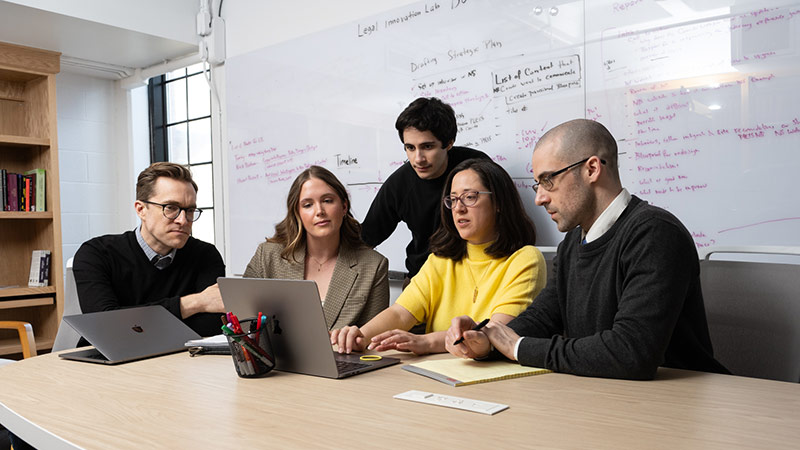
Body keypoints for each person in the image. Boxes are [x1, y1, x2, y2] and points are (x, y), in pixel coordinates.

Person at [446, 119, 729, 380]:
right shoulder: (573, 242)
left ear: (592, 169)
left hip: (677, 403)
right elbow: (544, 317)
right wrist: (487, 339)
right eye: (537, 185)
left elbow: (631, 352)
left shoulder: (655, 233)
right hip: (605, 394)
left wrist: (518, 347)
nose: (539, 199)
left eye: (548, 180)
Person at [331, 158, 546, 355]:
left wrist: (425, 342)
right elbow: (400, 314)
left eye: (470, 197)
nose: (459, 208)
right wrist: (360, 336)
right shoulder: (441, 260)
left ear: (498, 203)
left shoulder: (525, 259)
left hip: (495, 378)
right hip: (437, 375)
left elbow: (493, 333)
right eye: (453, 200)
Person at [73, 162, 225, 338]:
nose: (183, 220)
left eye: (189, 210)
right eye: (171, 208)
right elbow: (104, 324)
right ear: (141, 209)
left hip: (181, 360)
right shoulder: (96, 254)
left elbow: (210, 328)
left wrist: (132, 321)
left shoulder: (205, 255)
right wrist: (195, 303)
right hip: (107, 362)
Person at [243, 166, 389, 330]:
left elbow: (375, 338)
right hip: (275, 356)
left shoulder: (374, 265)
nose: (319, 211)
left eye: (327, 201)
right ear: (297, 213)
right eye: (307, 205)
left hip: (342, 355)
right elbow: (244, 320)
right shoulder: (268, 256)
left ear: (344, 207)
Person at [360, 97, 490, 281]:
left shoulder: (476, 169)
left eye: (427, 147)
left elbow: (503, 222)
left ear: (449, 142)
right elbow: (366, 238)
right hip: (422, 279)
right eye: (410, 148)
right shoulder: (399, 184)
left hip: (476, 277)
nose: (418, 158)